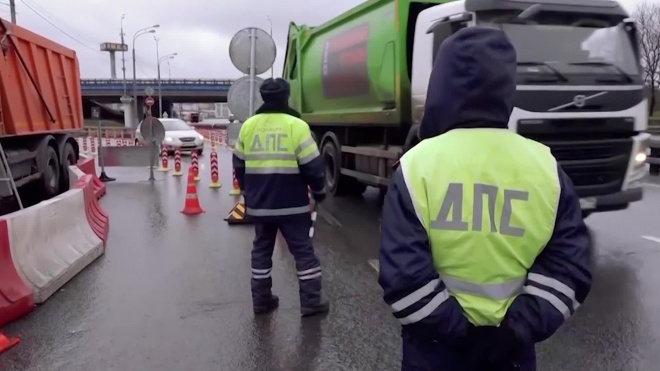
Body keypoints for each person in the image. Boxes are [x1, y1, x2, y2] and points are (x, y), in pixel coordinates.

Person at [378, 27, 592, 370]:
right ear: (507, 88)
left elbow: (403, 278)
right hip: (512, 354)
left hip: (434, 351)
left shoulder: (417, 165)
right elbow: (569, 268)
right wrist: (513, 331)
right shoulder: (546, 168)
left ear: (441, 86)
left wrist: (459, 333)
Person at [232, 78, 330, 317]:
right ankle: (310, 301)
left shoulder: (249, 126)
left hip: (260, 205)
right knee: (303, 252)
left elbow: (239, 164)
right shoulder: (296, 125)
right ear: (286, 97)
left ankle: (261, 300)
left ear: (263, 98)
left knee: (261, 250)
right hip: (292, 205)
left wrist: (248, 192)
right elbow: (312, 165)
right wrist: (319, 191)